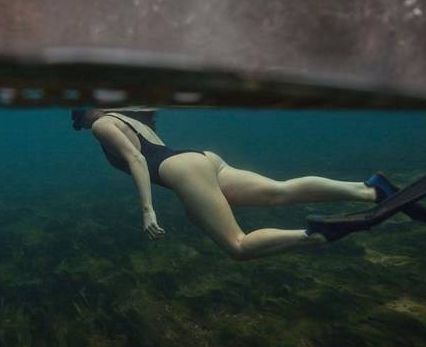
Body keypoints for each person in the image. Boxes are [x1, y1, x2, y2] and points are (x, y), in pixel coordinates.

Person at [72, 107, 384, 260]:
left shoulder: (102, 123)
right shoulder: (133, 117)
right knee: (280, 191)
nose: (80, 123)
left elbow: (138, 160)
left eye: (78, 117)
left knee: (239, 246)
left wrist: (147, 210)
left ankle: (320, 235)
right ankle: (369, 190)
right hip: (201, 158)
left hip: (182, 169)